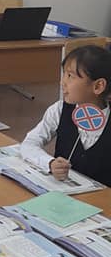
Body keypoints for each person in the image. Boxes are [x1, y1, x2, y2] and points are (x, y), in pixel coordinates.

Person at [21, 45, 111, 187]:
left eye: (70, 76)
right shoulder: (59, 110)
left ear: (98, 86)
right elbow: (29, 143)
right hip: (62, 192)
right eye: (64, 74)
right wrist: (49, 163)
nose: (62, 82)